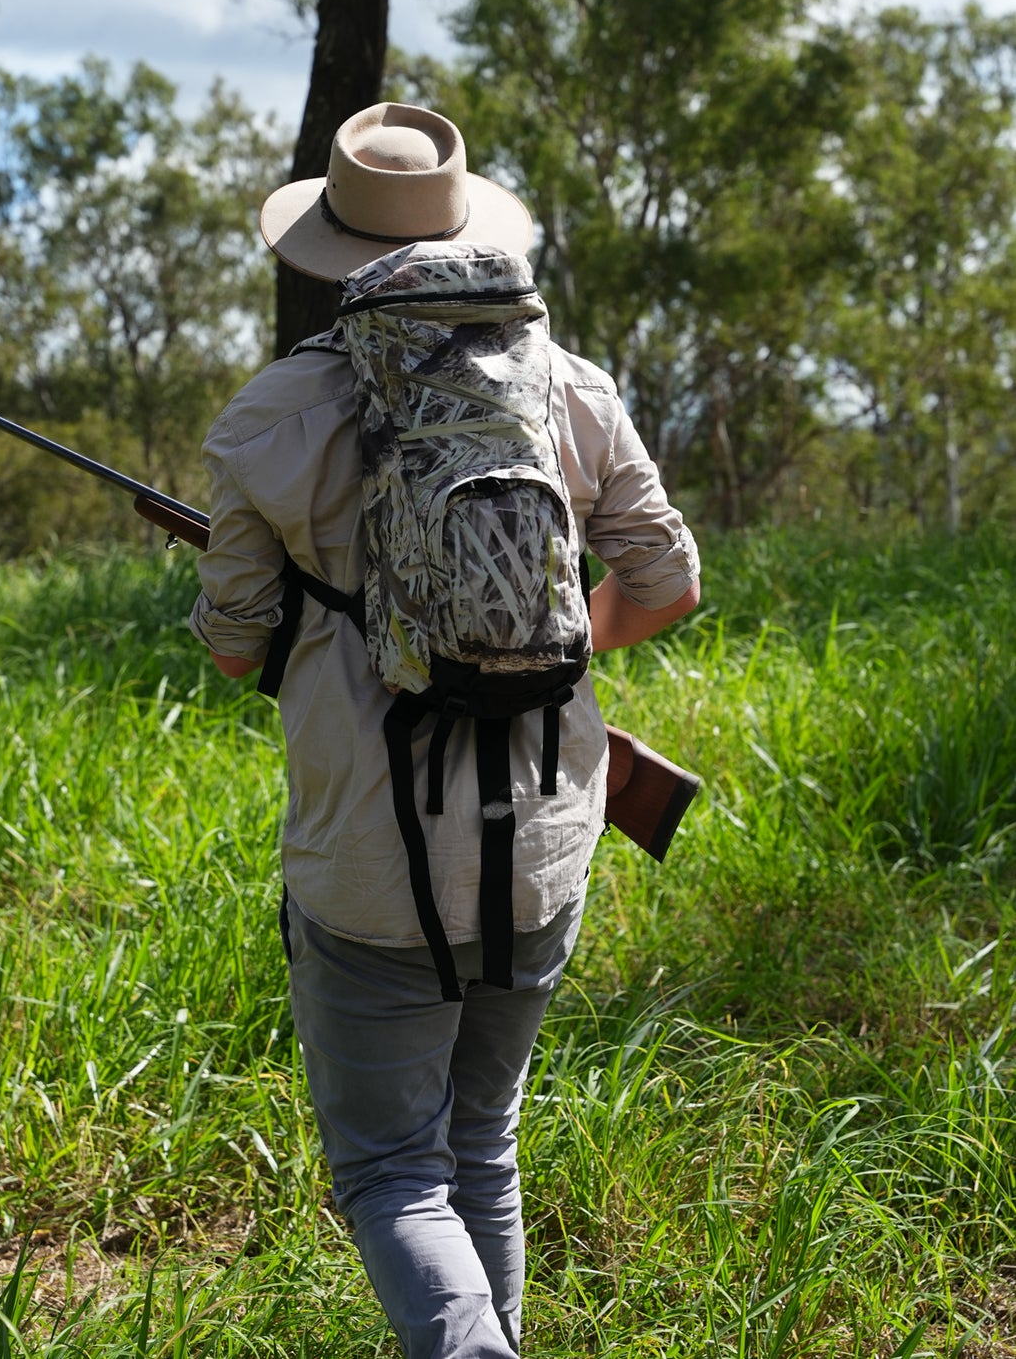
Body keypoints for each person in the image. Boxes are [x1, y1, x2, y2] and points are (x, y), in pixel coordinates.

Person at [189, 101, 700, 1359]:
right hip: (540, 842)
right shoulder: (571, 390)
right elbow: (671, 579)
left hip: (366, 862)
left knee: (389, 1178)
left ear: (321, 248)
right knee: (483, 1147)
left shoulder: (269, 419)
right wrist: (547, 648)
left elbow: (234, 646)